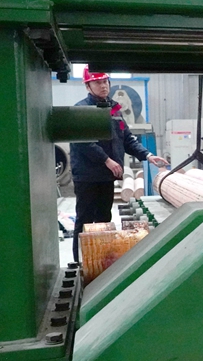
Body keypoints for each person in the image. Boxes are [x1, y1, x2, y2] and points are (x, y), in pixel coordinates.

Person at [69, 67, 169, 261]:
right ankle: (78, 261)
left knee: (104, 218)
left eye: (105, 82)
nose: (103, 86)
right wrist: (106, 160)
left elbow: (126, 138)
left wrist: (148, 155)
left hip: (107, 176)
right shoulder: (81, 110)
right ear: (88, 86)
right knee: (85, 219)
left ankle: (99, 262)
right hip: (87, 176)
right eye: (98, 82)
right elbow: (84, 142)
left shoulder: (114, 109)